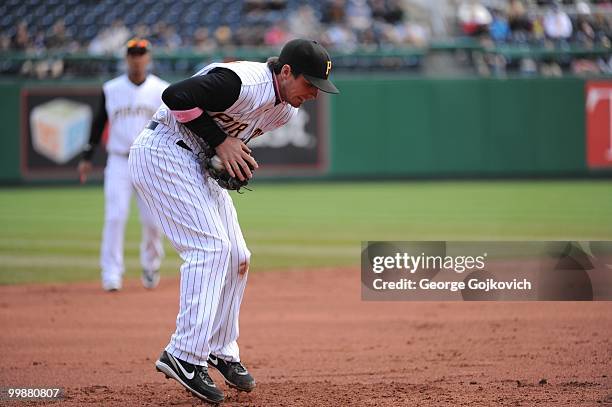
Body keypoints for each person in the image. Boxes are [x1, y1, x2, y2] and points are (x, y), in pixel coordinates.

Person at [128, 38, 339, 403]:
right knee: (210, 248)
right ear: (286, 72)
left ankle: (221, 349)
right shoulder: (242, 82)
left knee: (239, 255)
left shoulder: (284, 111)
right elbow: (176, 96)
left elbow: (221, 142)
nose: (315, 95)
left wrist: (224, 155)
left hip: (194, 163)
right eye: (310, 85)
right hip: (163, 151)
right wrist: (220, 142)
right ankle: (184, 354)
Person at [78, 38, 168, 292]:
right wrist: (87, 157)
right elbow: (98, 124)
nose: (137, 58)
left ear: (148, 58)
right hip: (118, 159)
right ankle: (111, 273)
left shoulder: (162, 89)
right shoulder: (111, 88)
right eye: (132, 54)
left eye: (141, 53)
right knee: (115, 216)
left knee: (153, 221)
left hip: (150, 162)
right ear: (126, 58)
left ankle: (151, 265)